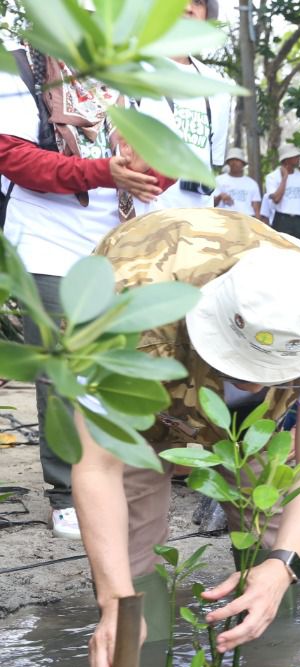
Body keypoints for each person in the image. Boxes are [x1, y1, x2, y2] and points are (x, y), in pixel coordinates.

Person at [77, 208, 300, 667]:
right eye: (241, 368)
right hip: (151, 369)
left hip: (247, 420)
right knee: (132, 538)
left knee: (271, 526)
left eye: (269, 376)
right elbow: (96, 468)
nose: (251, 384)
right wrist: (114, 599)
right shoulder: (124, 316)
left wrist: (283, 564)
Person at [0, 42, 176, 540]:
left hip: (128, 243)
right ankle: (66, 492)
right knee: (65, 370)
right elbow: (11, 155)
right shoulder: (18, 66)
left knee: (133, 361)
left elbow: (167, 157)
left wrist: (151, 169)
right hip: (50, 245)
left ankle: (125, 474)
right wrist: (101, 171)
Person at [131, 0, 232, 213]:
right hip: (141, 220)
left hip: (197, 223)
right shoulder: (131, 70)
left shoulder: (217, 85)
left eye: (198, 2)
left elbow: (212, 164)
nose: (188, 8)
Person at [264, 143, 300, 248]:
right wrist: (285, 178)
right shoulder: (272, 177)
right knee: (282, 252)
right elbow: (276, 199)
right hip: (282, 220)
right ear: (286, 159)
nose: (298, 158)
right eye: (295, 156)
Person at [213, 147, 261, 218]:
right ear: (228, 163)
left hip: (247, 220)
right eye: (231, 160)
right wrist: (220, 197)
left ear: (243, 164)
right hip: (224, 219)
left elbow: (256, 209)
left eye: (237, 160)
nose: (234, 163)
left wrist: (257, 227)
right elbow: (210, 204)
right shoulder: (219, 180)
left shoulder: (252, 183)